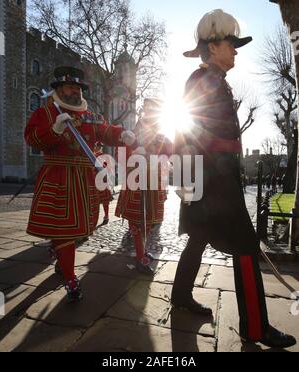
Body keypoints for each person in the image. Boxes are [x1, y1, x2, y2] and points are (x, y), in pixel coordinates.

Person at [171, 9, 296, 348]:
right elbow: (197, 135)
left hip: (205, 181)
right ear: (213, 47)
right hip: (214, 183)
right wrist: (219, 180)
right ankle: (255, 328)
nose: (236, 50)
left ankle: (181, 297)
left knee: (198, 238)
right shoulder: (206, 80)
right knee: (245, 247)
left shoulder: (209, 78)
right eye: (231, 44)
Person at [25, 66, 136, 301]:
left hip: (84, 179)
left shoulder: (89, 115)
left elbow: (105, 131)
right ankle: (70, 278)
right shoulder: (45, 113)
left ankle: (61, 261)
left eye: (77, 87)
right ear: (59, 88)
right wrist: (54, 129)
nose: (74, 91)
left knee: (78, 227)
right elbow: (31, 137)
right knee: (63, 227)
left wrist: (121, 134)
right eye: (69, 87)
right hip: (58, 175)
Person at [115, 98, 173, 274]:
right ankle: (140, 257)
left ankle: (142, 252)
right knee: (138, 221)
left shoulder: (162, 136)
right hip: (137, 181)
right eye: (149, 110)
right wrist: (132, 152)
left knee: (150, 222)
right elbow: (120, 156)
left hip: (154, 183)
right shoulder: (132, 133)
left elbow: (168, 154)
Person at [94, 142, 113, 226]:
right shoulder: (91, 154)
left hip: (102, 180)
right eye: (97, 146)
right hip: (93, 179)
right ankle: (94, 218)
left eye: (100, 146)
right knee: (94, 201)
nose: (99, 148)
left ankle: (106, 216)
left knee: (105, 200)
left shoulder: (103, 156)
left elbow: (107, 167)